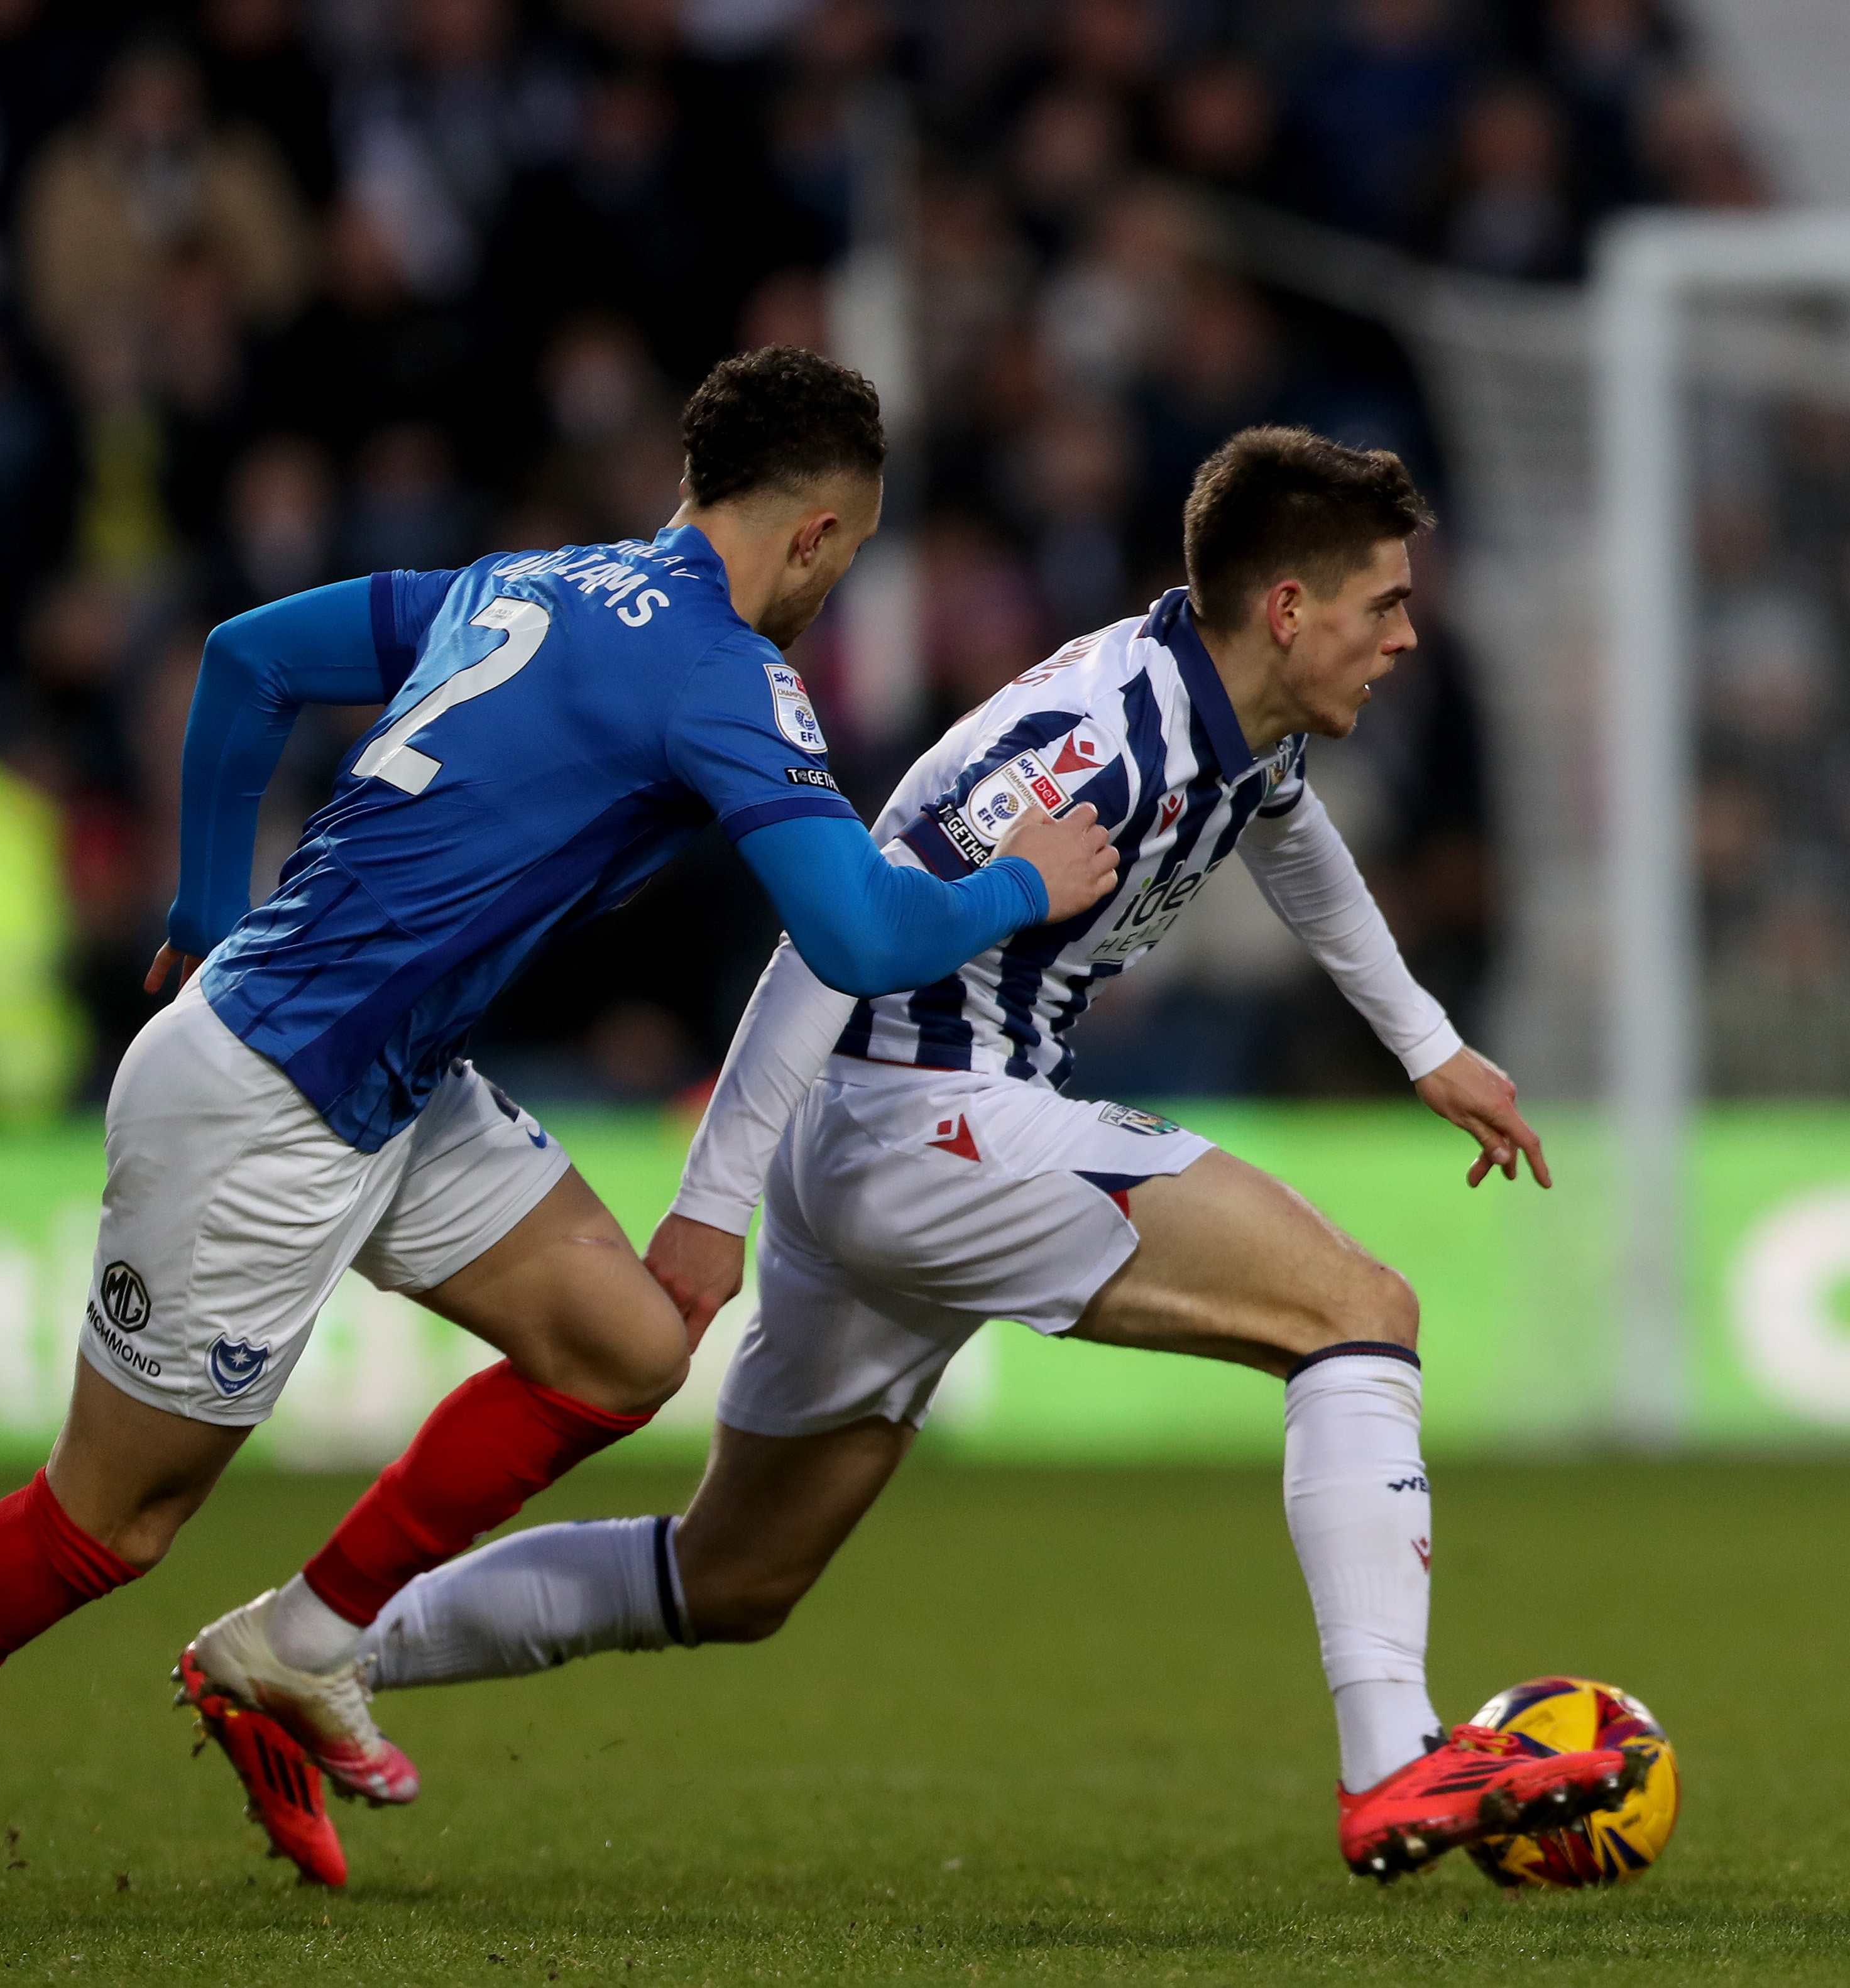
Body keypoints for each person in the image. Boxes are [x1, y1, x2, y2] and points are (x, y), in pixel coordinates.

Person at [0, 346, 1119, 1914]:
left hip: (380, 1072)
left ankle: (296, 1643)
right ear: (820, 539)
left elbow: (242, 660)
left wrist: (211, 910)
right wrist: (1017, 888)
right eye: (841, 565)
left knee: (626, 1348)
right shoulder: (725, 671)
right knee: (108, 1522)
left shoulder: (531, 582)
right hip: (265, 1102)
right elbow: (853, 934)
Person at [223, 428, 1648, 1887]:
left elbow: (1286, 832)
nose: (1409, 635)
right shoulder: (1092, 750)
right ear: (1288, 608)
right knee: (1361, 1311)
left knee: (732, 1577)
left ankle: (302, 1650)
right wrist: (707, 1214)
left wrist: (1425, 1044)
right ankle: (1394, 1758)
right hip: (935, 1123)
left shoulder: (1242, 711)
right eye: (1385, 605)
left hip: (891, 1153)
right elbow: (817, 952)